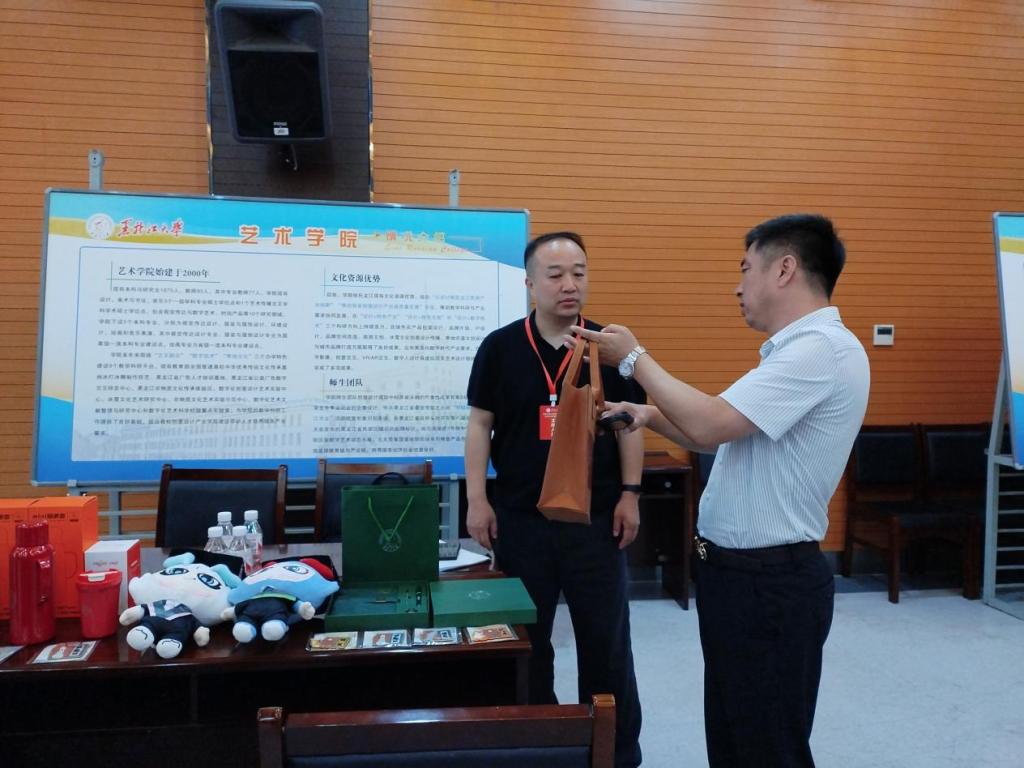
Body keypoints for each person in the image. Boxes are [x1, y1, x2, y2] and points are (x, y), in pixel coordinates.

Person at [573, 213, 870, 768]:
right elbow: (719, 433)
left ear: (784, 269)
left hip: (769, 584)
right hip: (741, 578)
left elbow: (710, 423)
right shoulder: (794, 351)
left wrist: (634, 359)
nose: (738, 286)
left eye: (745, 269)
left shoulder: (820, 350)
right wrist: (648, 415)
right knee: (736, 738)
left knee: (767, 746)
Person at [465, 231, 645, 767]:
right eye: (556, 274)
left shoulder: (610, 347)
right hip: (521, 520)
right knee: (527, 640)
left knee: (606, 641)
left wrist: (631, 494)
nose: (570, 284)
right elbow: (479, 425)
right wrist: (477, 499)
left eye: (579, 273)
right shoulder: (500, 348)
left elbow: (631, 425)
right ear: (530, 283)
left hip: (597, 520)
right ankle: (535, 745)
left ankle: (615, 751)